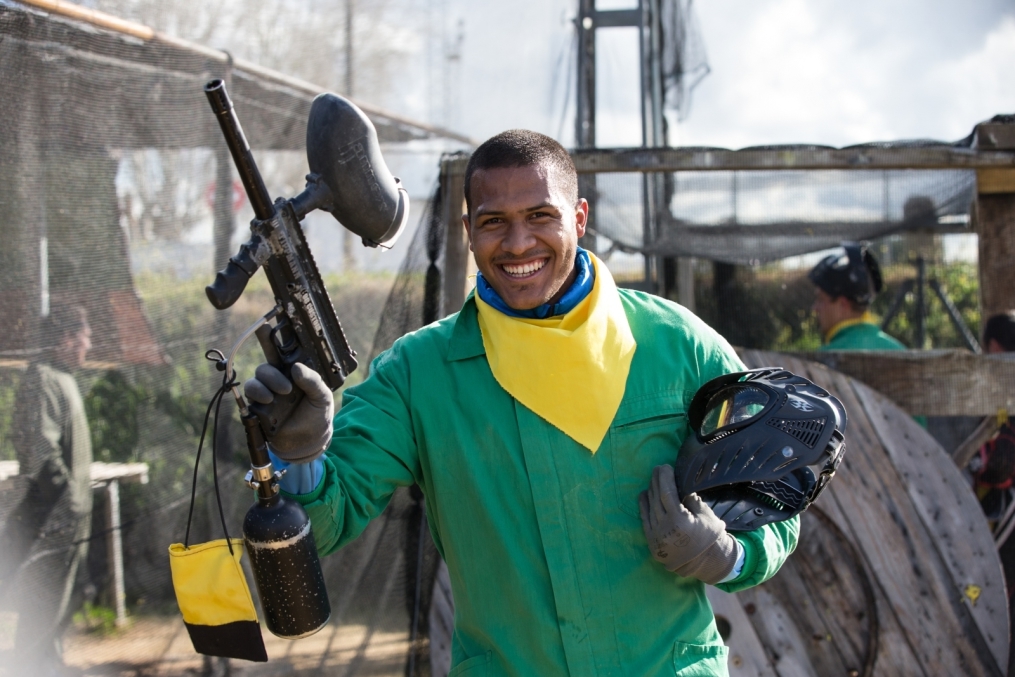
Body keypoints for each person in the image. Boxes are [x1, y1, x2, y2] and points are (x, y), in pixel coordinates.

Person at [245, 131, 798, 676]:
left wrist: (729, 554)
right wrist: (300, 457)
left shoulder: (679, 346)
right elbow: (326, 525)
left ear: (578, 219)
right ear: (467, 231)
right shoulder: (420, 374)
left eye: (540, 216)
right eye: (493, 222)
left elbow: (775, 497)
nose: (516, 244)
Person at [5, 305, 93, 675]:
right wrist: (68, 502)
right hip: (54, 518)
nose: (89, 345)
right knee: (42, 606)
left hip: (71, 518)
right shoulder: (42, 378)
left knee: (60, 603)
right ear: (65, 339)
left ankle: (49, 666)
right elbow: (40, 448)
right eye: (85, 338)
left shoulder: (64, 378)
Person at [808, 242, 905, 351]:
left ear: (842, 304)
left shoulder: (826, 356)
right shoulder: (898, 350)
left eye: (820, 300)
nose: (815, 308)